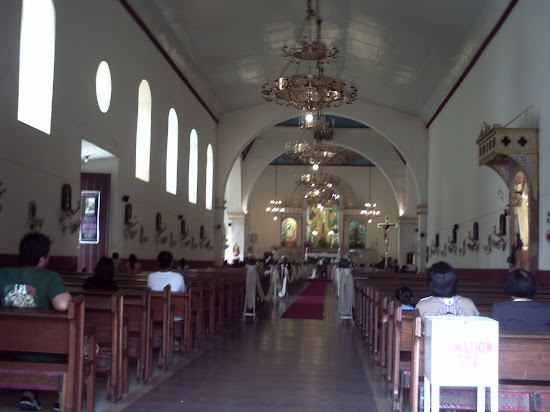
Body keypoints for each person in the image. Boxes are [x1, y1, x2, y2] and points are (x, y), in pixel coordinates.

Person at [0, 232, 72, 411]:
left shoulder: (3, 274)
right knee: (74, 344)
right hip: (48, 351)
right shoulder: (50, 277)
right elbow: (63, 305)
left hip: (10, 347)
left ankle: (29, 393)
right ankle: (62, 398)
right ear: (42, 259)